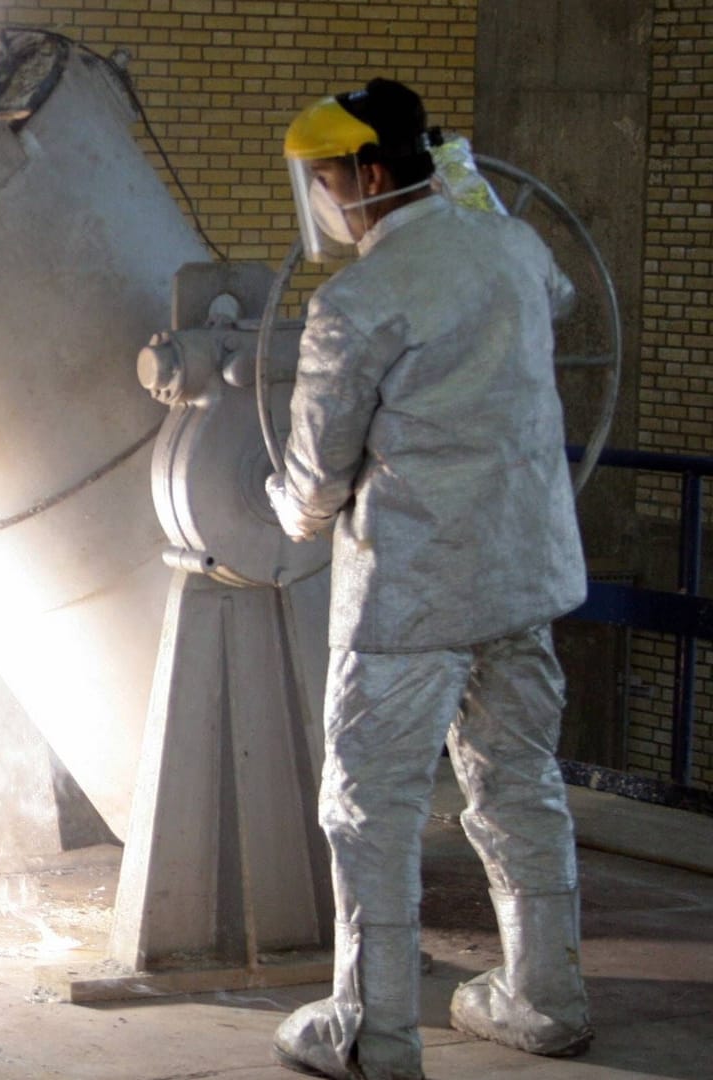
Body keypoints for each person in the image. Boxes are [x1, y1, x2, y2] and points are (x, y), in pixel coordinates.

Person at [264, 80, 593, 1079]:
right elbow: (562, 297)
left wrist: (283, 509)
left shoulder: (355, 300)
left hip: (412, 595)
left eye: (325, 180)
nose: (320, 200)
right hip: (523, 576)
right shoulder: (513, 250)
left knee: (369, 809)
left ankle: (375, 1033)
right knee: (518, 783)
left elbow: (319, 476)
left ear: (368, 176)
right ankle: (544, 999)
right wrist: (467, 196)